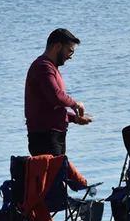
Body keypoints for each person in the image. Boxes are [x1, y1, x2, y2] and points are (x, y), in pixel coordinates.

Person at [25, 28, 92, 156]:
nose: (70, 57)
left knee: (61, 174)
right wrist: (74, 103)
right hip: (45, 137)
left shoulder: (50, 67)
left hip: (54, 135)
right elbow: (55, 96)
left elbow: (52, 106)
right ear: (58, 46)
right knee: (54, 175)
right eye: (70, 51)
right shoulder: (43, 66)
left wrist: (74, 119)